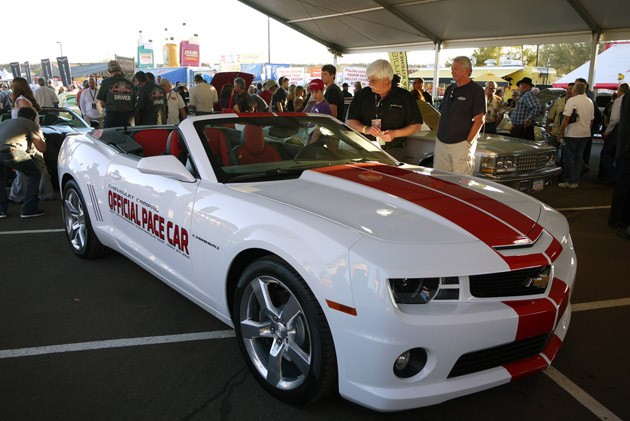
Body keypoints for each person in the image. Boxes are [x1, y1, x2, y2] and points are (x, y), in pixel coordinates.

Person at [346, 59, 422, 161]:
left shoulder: (405, 97)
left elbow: (416, 126)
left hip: (393, 152)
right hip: (363, 150)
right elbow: (350, 122)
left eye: (373, 80)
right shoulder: (362, 95)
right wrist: (366, 129)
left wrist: (394, 134)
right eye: (369, 80)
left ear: (386, 79)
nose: (370, 84)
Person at [434, 56, 486, 175]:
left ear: (466, 70)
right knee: (439, 180)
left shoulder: (476, 91)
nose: (452, 71)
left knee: (461, 184)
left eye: (456, 69)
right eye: (452, 69)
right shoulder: (450, 89)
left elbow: (479, 120)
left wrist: (467, 143)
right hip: (441, 143)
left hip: (460, 145)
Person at [0, 107, 46, 218]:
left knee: (0, 179)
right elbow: (42, 148)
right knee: (35, 174)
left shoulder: (5, 122)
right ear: (32, 117)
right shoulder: (30, 123)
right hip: (12, 150)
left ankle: (1, 210)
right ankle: (29, 209)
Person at [557, 81, 594, 189]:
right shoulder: (589, 101)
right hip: (585, 133)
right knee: (578, 157)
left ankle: (570, 180)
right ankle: (576, 180)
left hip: (572, 133)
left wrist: (560, 132)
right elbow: (591, 120)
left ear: (574, 90)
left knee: (569, 158)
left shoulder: (572, 101)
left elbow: (566, 118)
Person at [609, 91, 630, 238]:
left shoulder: (626, 97)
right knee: (624, 187)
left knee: (624, 186)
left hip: (625, 150)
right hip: (626, 151)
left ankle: (618, 220)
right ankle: (619, 220)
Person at [599, 83, 629, 183]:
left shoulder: (619, 100)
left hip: (617, 129)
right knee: (621, 153)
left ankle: (613, 175)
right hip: (626, 130)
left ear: (620, 91)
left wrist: (607, 132)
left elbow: (614, 119)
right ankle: (620, 176)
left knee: (606, 153)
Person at [97, 60, 135, 128]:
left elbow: (102, 104)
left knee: (111, 138)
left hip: (112, 119)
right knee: (126, 137)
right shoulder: (130, 84)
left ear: (109, 71)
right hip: (127, 119)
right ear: (120, 70)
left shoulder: (106, 82)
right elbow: (133, 102)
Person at [546, 83, 574, 148]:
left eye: (571, 89)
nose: (568, 91)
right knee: (552, 150)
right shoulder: (559, 101)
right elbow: (551, 115)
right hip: (555, 131)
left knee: (566, 154)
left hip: (569, 133)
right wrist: (547, 126)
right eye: (567, 89)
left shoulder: (576, 102)